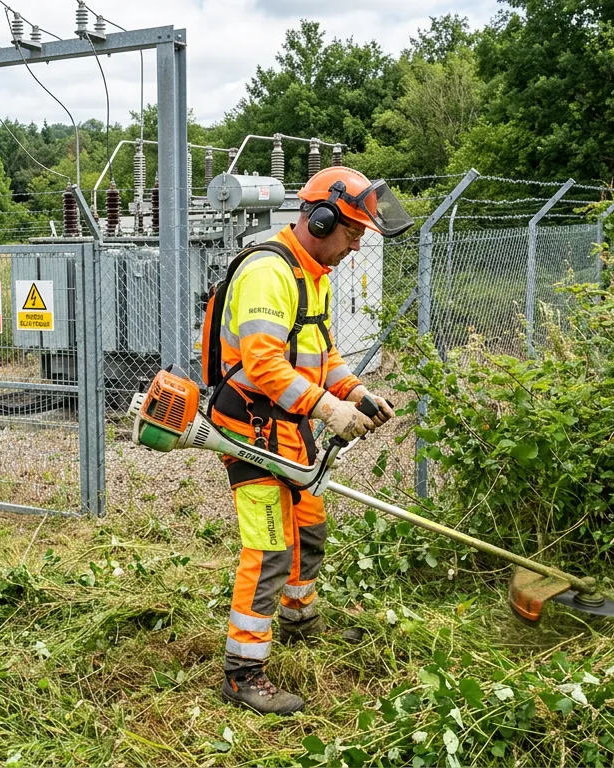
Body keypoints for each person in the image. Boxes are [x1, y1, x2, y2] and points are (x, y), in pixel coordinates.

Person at [210, 166, 414, 714]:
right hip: (250, 431)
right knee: (271, 546)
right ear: (321, 220)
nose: (356, 246)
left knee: (310, 527)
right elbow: (263, 363)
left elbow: (322, 356)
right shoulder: (267, 273)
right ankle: (243, 673)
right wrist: (330, 409)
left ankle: (301, 621)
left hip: (290, 428)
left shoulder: (314, 274)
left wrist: (355, 391)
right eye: (352, 233)